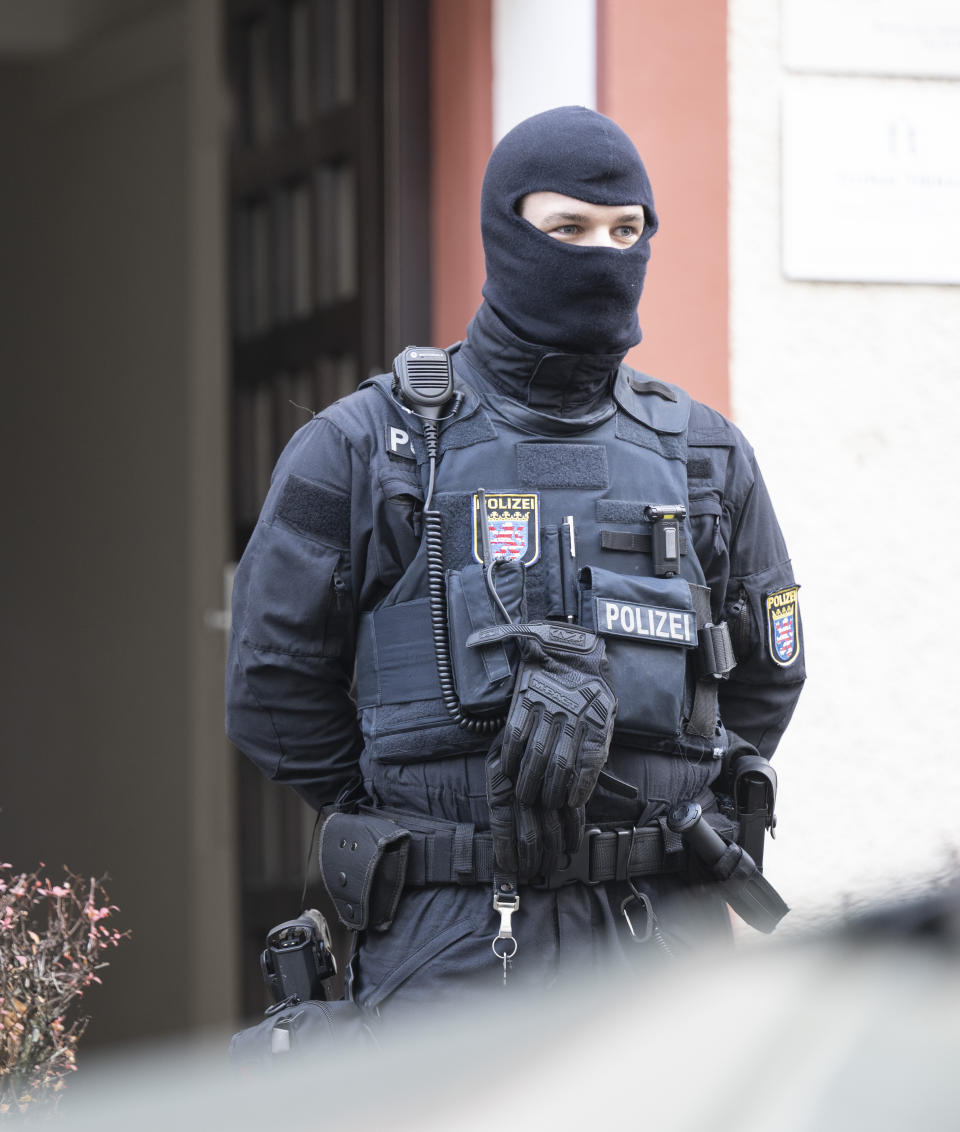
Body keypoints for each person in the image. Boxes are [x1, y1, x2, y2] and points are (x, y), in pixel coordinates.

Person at [225, 106, 805, 1013]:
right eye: (568, 229)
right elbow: (269, 690)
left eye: (627, 231)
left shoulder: (704, 455)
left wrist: (654, 794)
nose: (603, 254)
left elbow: (769, 677)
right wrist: (431, 817)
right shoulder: (362, 448)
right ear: (507, 232)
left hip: (662, 944)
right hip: (450, 947)